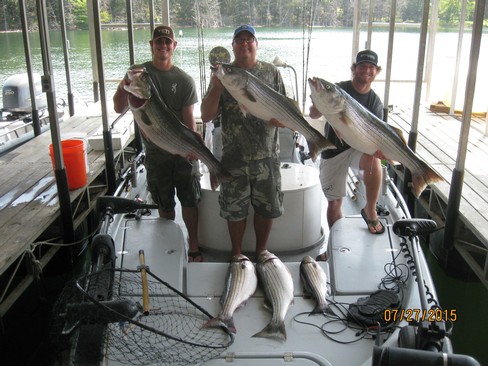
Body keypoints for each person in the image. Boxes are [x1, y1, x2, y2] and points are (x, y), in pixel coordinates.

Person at [113, 25, 203, 262]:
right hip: (155, 154)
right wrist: (125, 84)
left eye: (167, 42)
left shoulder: (184, 80)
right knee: (164, 201)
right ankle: (169, 244)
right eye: (158, 42)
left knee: (190, 199)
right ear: (151, 45)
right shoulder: (139, 74)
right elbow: (118, 107)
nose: (163, 46)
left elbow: (188, 119)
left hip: (182, 149)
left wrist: (193, 148)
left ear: (174, 46)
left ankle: (193, 243)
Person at [200, 24, 286, 258]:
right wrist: (216, 89)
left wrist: (284, 120)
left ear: (257, 44)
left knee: (267, 209)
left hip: (267, 157)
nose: (245, 43)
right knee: (234, 211)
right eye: (240, 40)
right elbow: (206, 115)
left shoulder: (271, 73)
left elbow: (285, 110)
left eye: (250, 39)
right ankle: (237, 254)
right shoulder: (224, 75)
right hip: (234, 157)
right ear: (233, 46)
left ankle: (261, 252)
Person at [310, 50, 385, 260]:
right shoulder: (338, 90)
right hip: (333, 151)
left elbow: (376, 137)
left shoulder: (375, 102)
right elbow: (314, 114)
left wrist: (378, 148)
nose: (366, 70)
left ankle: (370, 210)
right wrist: (317, 101)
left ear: (376, 71)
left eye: (371, 67)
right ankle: (334, 248)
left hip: (357, 149)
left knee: (374, 160)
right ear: (354, 68)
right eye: (362, 66)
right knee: (334, 203)